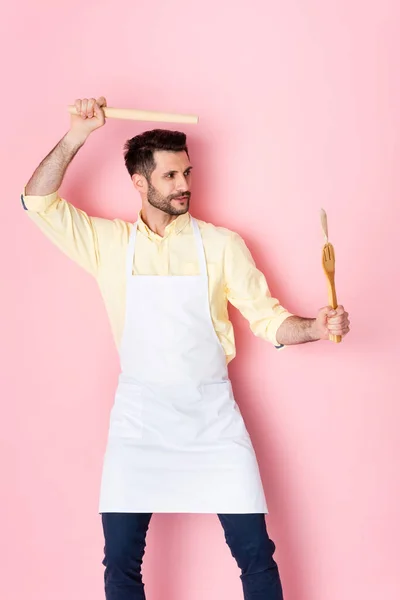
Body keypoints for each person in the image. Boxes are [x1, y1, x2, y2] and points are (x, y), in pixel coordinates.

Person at [22, 96, 350, 600]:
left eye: (187, 174)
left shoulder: (221, 245)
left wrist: (314, 325)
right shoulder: (108, 244)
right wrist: (75, 135)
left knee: (256, 557)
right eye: (171, 176)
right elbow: (37, 201)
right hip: (139, 424)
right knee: (121, 564)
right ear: (140, 182)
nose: (184, 186)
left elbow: (269, 319)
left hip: (212, 422)